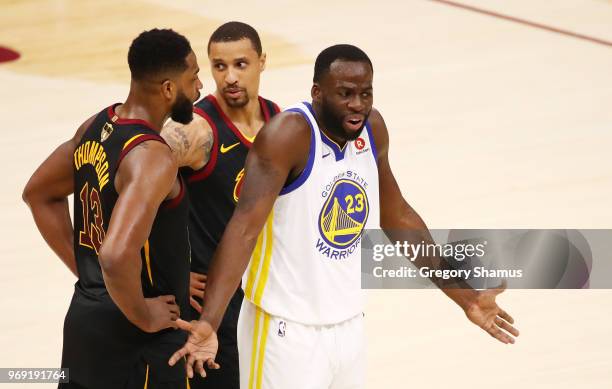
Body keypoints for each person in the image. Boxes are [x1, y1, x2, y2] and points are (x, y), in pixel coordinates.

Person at [170, 44, 519, 388]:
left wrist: (466, 297)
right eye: (346, 94)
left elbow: (397, 217)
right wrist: (209, 322)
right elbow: (243, 230)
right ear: (317, 93)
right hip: (285, 332)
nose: (358, 105)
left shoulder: (373, 129)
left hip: (348, 327)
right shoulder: (288, 135)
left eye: (365, 93)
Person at [22, 29, 214, 389]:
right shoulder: (152, 157)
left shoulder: (95, 126)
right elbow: (113, 256)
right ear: (169, 89)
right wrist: (143, 313)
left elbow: (39, 194)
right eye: (193, 78)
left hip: (85, 321)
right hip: (137, 339)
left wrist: (89, 274)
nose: (200, 87)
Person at [161, 21, 280, 389]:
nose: (229, 77)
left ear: (262, 62)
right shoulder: (194, 131)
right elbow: (131, 194)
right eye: (219, 66)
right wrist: (170, 273)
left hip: (269, 299)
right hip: (215, 306)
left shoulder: (280, 120)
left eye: (241, 64)